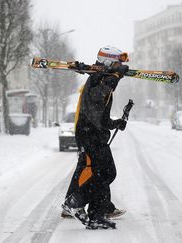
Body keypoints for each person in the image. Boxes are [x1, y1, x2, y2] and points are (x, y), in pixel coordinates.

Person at [61, 46, 129, 229]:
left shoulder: (103, 79)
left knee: (105, 173)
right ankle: (74, 202)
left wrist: (116, 123)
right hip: (88, 133)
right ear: (107, 62)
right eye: (117, 63)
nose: (120, 66)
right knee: (103, 172)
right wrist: (115, 77)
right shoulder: (95, 79)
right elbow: (98, 96)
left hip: (95, 133)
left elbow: (101, 117)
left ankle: (96, 214)